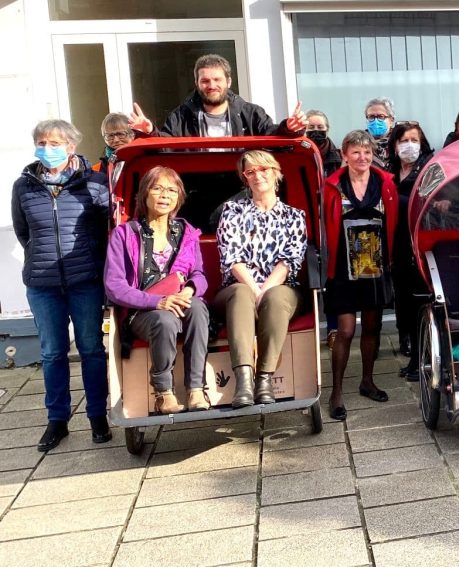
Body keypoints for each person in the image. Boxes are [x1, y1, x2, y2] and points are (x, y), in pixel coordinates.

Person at [12, 119, 111, 451]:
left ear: (71, 146)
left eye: (54, 143)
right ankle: (57, 420)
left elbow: (105, 231)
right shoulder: (23, 186)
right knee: (52, 353)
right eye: (41, 142)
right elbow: (24, 233)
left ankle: (97, 416)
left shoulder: (95, 183)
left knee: (91, 349)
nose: (47, 148)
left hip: (85, 281)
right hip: (43, 284)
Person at [104, 166, 210, 413]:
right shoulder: (124, 234)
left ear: (179, 197)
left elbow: (199, 274)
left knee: (197, 307)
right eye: (157, 188)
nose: (165, 195)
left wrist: (189, 290)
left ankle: (196, 389)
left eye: (172, 190)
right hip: (141, 311)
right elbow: (114, 286)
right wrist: (158, 302)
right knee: (165, 320)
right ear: (145, 194)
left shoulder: (186, 232)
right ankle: (164, 393)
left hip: (180, 302)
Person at [215, 150, 307, 408]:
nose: (258, 176)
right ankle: (244, 382)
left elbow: (289, 262)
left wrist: (264, 292)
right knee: (242, 293)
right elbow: (232, 259)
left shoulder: (294, 216)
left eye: (263, 169)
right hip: (237, 289)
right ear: (244, 178)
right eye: (250, 171)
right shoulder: (232, 212)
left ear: (275, 172)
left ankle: (264, 379)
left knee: (275, 297)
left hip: (280, 288)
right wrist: (255, 292)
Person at [324, 131, 399, 421]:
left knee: (372, 326)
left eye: (367, 152)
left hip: (375, 262)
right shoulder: (332, 185)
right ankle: (336, 392)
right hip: (343, 265)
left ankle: (367, 381)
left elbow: (394, 220)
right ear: (344, 154)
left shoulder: (385, 183)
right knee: (345, 330)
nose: (362, 157)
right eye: (356, 152)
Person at [129, 54, 307, 137]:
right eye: (205, 81)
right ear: (196, 83)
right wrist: (149, 132)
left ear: (228, 82)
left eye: (217, 79)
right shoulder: (180, 116)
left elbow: (273, 135)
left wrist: (289, 129)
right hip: (195, 188)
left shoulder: (251, 113)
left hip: (242, 186)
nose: (211, 86)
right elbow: (164, 146)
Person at [386, 121, 434, 377]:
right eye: (404, 140)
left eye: (414, 140)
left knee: (420, 305)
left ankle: (422, 359)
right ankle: (413, 358)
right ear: (395, 146)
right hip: (398, 247)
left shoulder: (430, 170)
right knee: (403, 303)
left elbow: (435, 203)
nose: (409, 145)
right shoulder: (390, 174)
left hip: (421, 246)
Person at [306, 109, 343, 176]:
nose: (316, 130)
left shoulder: (340, 156)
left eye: (320, 127)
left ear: (327, 129)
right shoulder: (298, 154)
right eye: (311, 127)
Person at [364, 97, 395, 169]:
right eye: (371, 117)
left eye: (381, 117)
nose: (376, 121)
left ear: (391, 120)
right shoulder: (359, 144)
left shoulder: (399, 143)